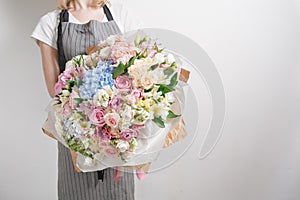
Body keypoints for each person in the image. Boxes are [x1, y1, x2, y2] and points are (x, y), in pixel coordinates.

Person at [31, 0, 143, 199]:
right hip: (76, 134)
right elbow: (54, 90)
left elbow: (137, 70)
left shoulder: (119, 13)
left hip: (116, 133)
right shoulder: (50, 23)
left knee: (118, 193)